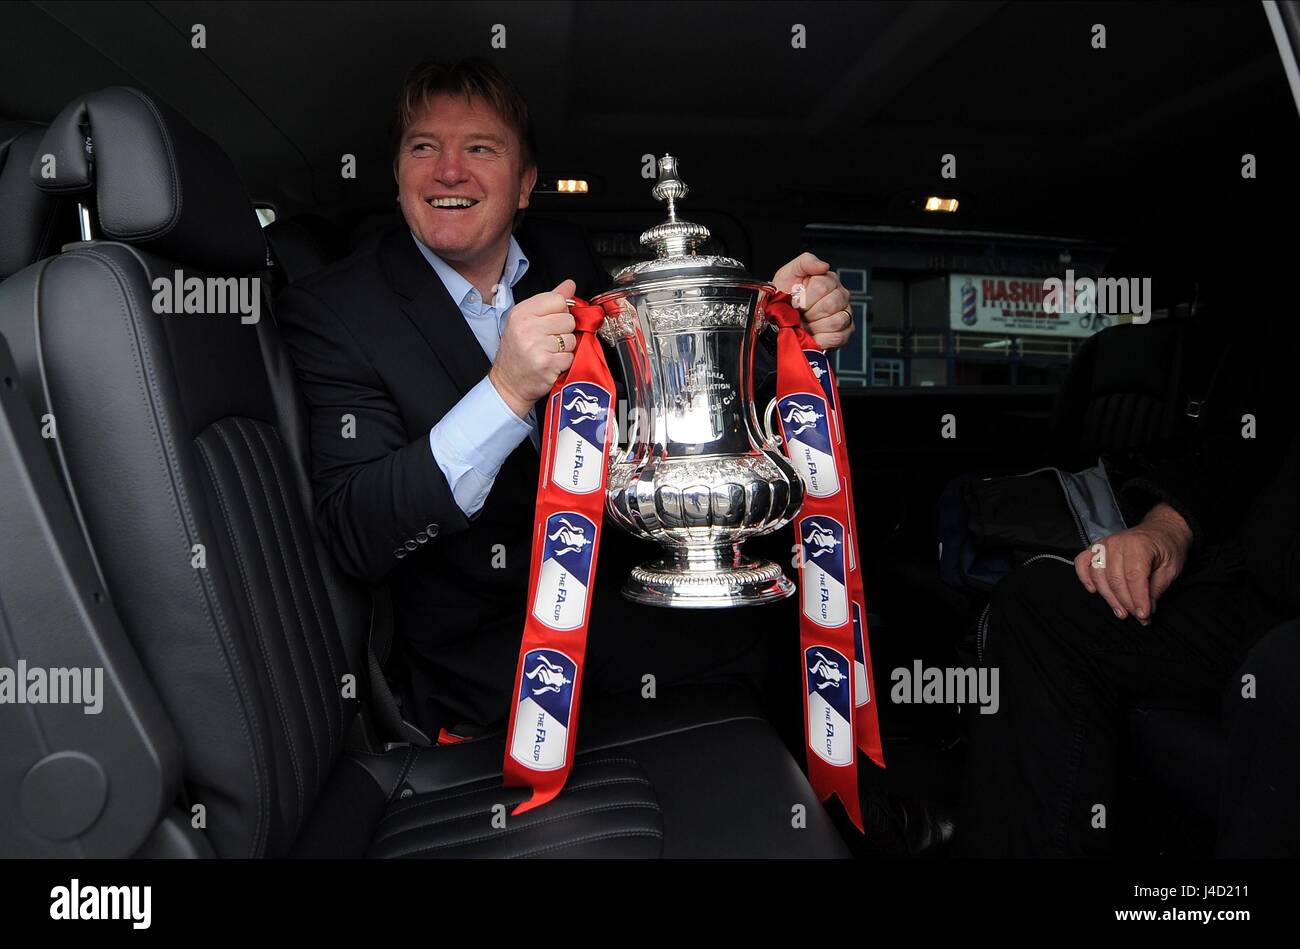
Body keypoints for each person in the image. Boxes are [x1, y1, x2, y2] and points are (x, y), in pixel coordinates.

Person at [276, 58, 856, 741]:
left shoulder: (560, 256)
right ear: (399, 172)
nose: (449, 172)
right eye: (423, 146)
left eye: (481, 149)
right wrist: (504, 393)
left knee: (798, 610)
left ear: (524, 185)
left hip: (615, 580)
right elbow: (355, 529)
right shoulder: (336, 308)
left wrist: (779, 332)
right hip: (489, 641)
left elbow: (651, 386)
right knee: (762, 642)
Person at [957, 276, 1300, 857]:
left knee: (1282, 671)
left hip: (1284, 646)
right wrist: (1167, 527)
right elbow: (1246, 452)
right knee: (1041, 598)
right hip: (1257, 598)